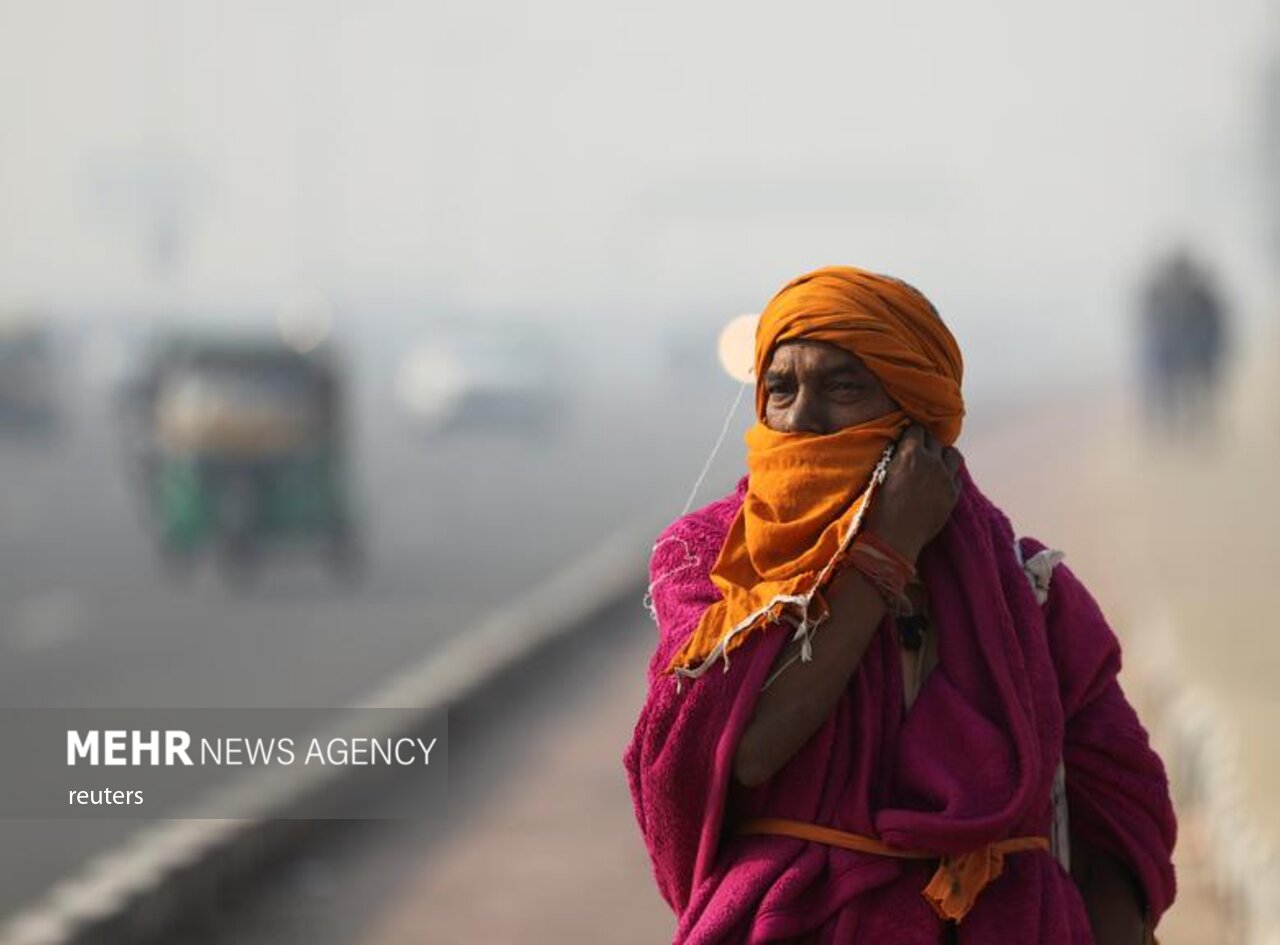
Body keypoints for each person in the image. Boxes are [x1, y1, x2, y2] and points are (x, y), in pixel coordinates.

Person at [624, 266, 1176, 944]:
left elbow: (1121, 810)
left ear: (917, 414)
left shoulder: (1027, 588)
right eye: (780, 387)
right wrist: (885, 553)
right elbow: (747, 750)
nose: (802, 418)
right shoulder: (709, 559)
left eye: (843, 386)